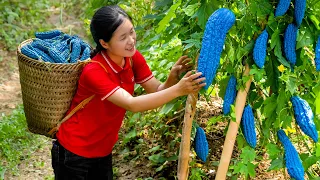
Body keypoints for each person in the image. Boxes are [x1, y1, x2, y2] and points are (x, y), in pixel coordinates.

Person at [51, 5, 205, 180]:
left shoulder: (132, 58)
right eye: (123, 37)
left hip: (103, 151)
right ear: (104, 43)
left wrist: (172, 79)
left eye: (132, 32)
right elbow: (132, 104)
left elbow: (157, 90)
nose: (131, 40)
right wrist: (179, 90)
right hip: (74, 152)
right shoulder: (94, 71)